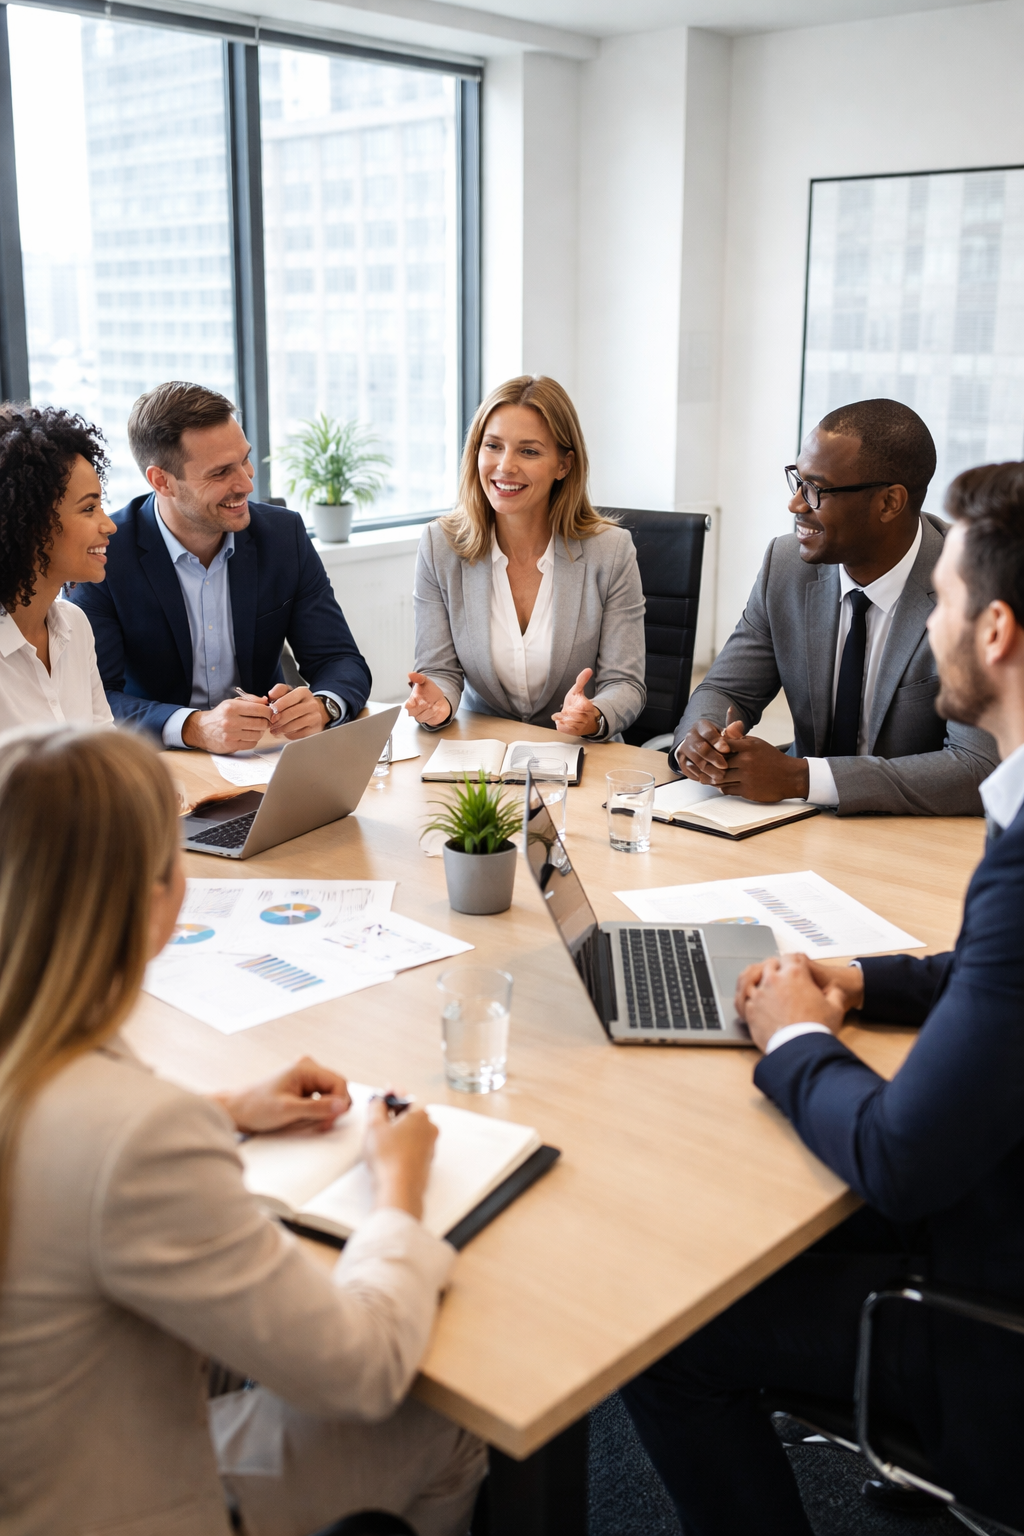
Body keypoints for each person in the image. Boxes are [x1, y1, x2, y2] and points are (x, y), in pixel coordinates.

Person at [619, 460, 1024, 1536]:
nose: (932, 621)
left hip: (990, 1315)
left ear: (993, 633)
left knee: (661, 1331)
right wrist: (860, 979)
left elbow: (896, 1157)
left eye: (946, 602)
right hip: (990, 1196)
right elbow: (994, 977)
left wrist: (796, 1035)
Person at [0, 722, 485, 1536]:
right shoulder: (138, 1139)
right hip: (122, 1500)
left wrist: (223, 1109)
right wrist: (398, 1192)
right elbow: (362, 1371)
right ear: (159, 900)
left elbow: (62, 1140)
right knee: (444, 1420)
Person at [673, 399, 997, 814]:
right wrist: (702, 741)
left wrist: (802, 778)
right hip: (800, 822)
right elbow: (728, 689)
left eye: (816, 490)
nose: (796, 504)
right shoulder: (786, 565)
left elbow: (977, 766)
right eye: (798, 481)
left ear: (889, 503)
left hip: (916, 832)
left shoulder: (976, 586)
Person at [66, 381, 371, 753]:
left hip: (262, 753)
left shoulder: (282, 535)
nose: (245, 483)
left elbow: (339, 659)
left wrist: (323, 705)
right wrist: (193, 726)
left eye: (244, 460)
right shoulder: (106, 553)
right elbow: (95, 699)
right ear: (162, 481)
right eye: (221, 472)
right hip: (158, 763)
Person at [405, 375, 645, 741]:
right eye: (493, 446)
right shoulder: (440, 546)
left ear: (564, 465)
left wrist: (595, 715)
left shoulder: (610, 551)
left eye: (529, 451)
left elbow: (625, 683)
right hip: (482, 753)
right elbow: (439, 672)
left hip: (577, 752)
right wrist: (436, 704)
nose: (505, 466)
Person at [0, 405, 116, 733]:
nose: (109, 525)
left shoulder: (75, 625)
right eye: (89, 508)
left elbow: (102, 747)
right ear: (31, 523)